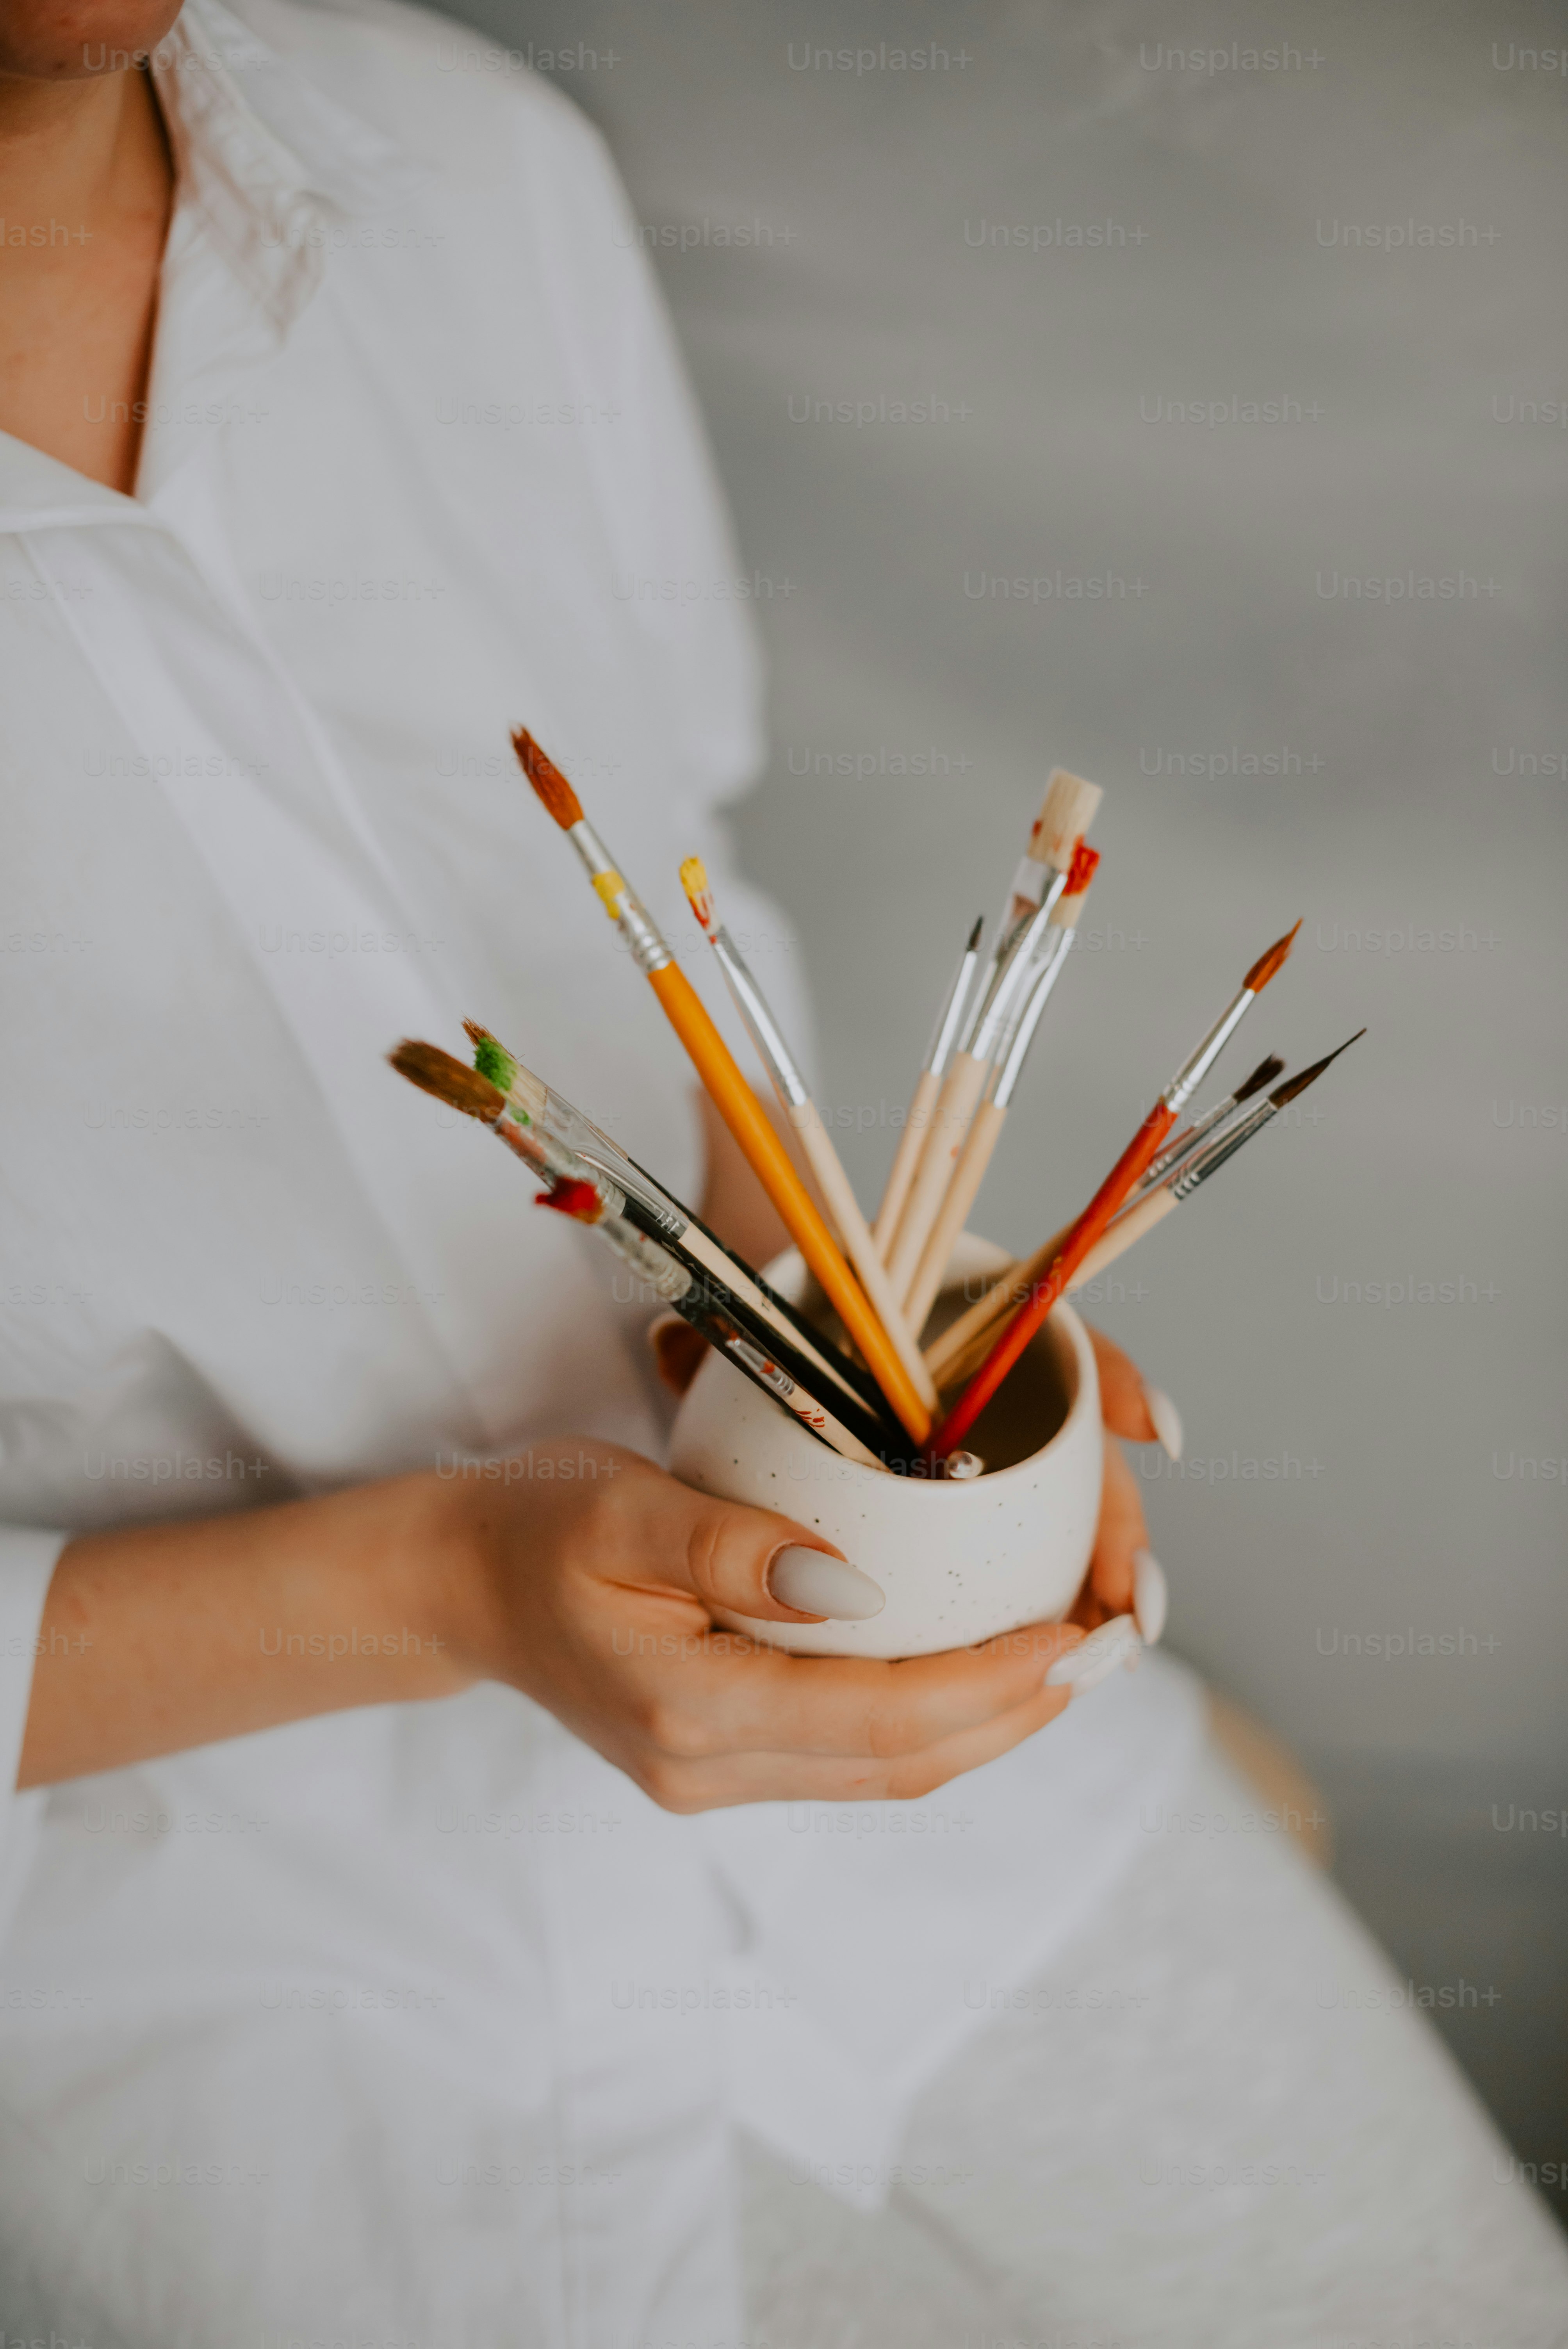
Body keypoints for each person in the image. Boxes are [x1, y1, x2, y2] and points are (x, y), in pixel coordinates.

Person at [1, 4, 1564, 2342]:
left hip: (929, 1790)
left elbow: (681, 913)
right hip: (260, 2003)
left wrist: (870, 1329)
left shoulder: (469, 170)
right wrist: (445, 1583)